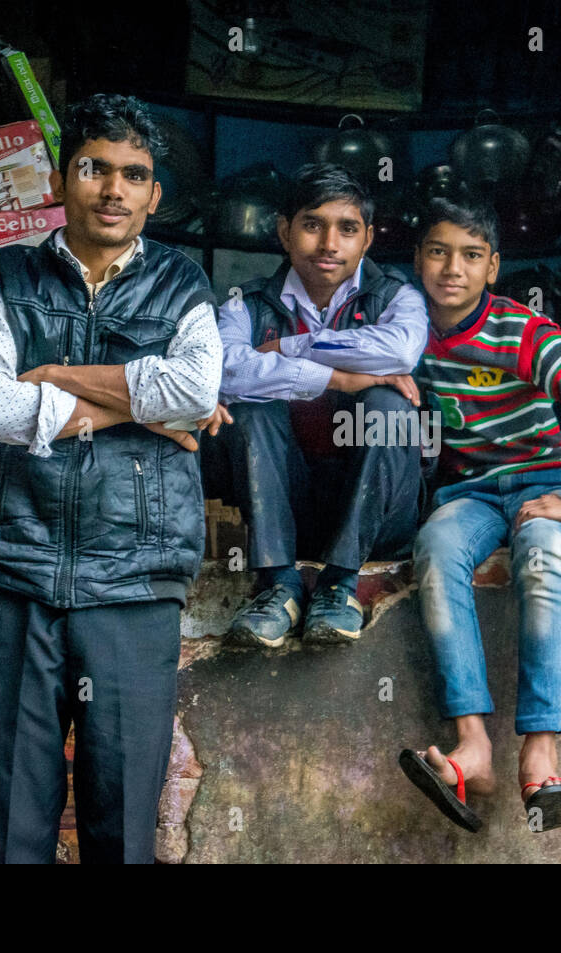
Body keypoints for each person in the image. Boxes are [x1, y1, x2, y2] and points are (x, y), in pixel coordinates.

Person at [0, 93, 222, 863]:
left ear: (153, 195)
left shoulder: (183, 285)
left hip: (135, 585)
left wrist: (62, 377)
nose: (113, 190)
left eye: (133, 175)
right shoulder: (4, 275)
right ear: (61, 178)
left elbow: (198, 395)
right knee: (10, 831)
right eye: (94, 168)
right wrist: (137, 404)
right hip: (17, 577)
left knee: (125, 831)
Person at [398, 199, 561, 833]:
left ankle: (541, 751)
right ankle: (474, 746)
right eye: (439, 251)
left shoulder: (519, 330)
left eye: (472, 256)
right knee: (437, 550)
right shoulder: (405, 330)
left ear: (493, 267)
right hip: (471, 492)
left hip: (547, 477)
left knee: (543, 553)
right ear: (418, 259)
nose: (453, 268)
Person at [201, 163, 429, 649]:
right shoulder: (246, 305)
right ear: (285, 231)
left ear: (367, 238)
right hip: (282, 510)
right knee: (251, 409)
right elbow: (222, 370)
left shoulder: (397, 298)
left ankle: (338, 584)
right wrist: (340, 376)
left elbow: (401, 351)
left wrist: (287, 349)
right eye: (312, 225)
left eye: (347, 229)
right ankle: (280, 585)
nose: (329, 243)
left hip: (380, 516)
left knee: (389, 407)